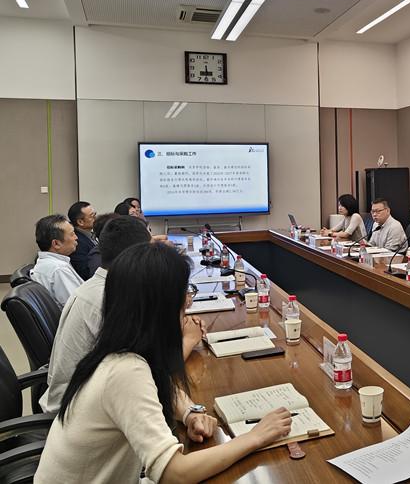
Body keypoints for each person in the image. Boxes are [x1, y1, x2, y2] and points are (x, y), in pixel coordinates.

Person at [35, 242, 292, 483]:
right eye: (183, 299)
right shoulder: (124, 370)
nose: (186, 309)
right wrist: (255, 437)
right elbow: (174, 473)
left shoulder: (118, 350)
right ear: (162, 310)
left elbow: (160, 384)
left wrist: (189, 413)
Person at [42, 215, 179, 413]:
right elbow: (149, 368)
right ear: (136, 257)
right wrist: (187, 337)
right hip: (78, 408)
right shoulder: (110, 298)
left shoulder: (99, 284)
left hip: (86, 392)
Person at [30, 214, 84, 308]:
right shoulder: (58, 269)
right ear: (56, 243)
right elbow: (79, 307)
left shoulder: (46, 262)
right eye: (72, 234)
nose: (76, 237)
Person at [67, 201, 98, 280]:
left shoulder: (92, 233)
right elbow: (85, 272)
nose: (96, 218)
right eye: (92, 216)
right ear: (80, 222)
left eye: (95, 214)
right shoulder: (77, 242)